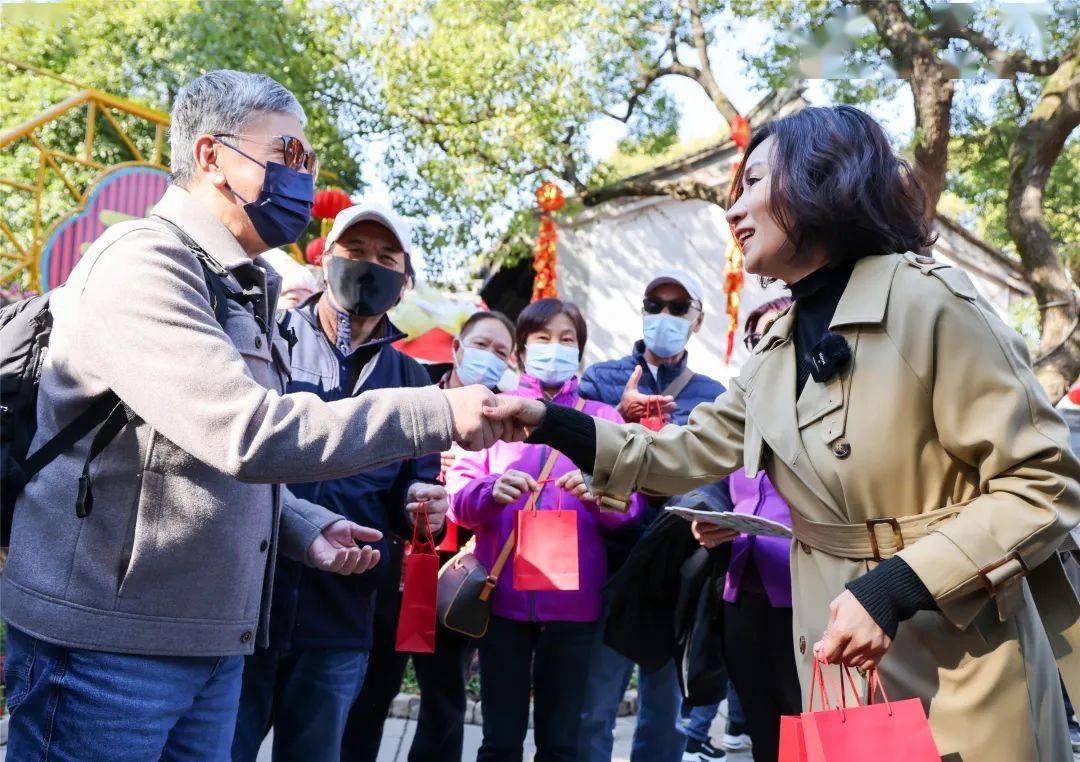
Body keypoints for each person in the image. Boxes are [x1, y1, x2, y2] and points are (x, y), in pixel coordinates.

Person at [487, 105, 1080, 761]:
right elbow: (682, 454)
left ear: (820, 179)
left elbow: (1041, 484)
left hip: (956, 659)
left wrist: (892, 589)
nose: (733, 210)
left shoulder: (930, 301)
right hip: (835, 667)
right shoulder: (774, 348)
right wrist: (549, 421)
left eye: (753, 183)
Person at [1, 70, 503, 761]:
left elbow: (199, 451)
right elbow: (248, 431)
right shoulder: (145, 264)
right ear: (211, 156)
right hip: (106, 650)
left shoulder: (247, 285)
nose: (301, 177)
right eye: (287, 155)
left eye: (309, 162)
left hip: (209, 641)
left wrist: (302, 525)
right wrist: (438, 410)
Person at [231, 202, 451, 761]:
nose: (368, 266)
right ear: (325, 258)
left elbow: (414, 484)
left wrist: (421, 505)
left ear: (403, 282)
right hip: (247, 606)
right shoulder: (268, 340)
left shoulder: (414, 381)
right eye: (355, 252)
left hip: (344, 614)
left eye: (386, 257)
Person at [446, 298, 645, 762]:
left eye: (566, 339)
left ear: (580, 352)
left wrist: (601, 497)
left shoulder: (604, 418)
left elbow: (632, 507)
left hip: (574, 607)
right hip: (502, 602)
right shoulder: (494, 410)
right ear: (519, 350)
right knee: (499, 740)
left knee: (560, 744)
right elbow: (459, 501)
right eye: (541, 338)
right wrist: (490, 489)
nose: (554, 348)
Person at [341, 309, 516, 762]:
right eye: (480, 345)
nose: (489, 357)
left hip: (452, 582)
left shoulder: (506, 426)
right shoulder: (413, 394)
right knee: (369, 697)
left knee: (444, 705)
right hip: (387, 574)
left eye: (501, 352)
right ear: (457, 349)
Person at [575, 269, 735, 762]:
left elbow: (717, 477)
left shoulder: (713, 394)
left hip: (672, 570)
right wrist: (613, 419)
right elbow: (569, 461)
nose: (664, 315)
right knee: (594, 708)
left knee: (663, 713)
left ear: (697, 320)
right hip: (607, 565)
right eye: (655, 304)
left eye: (677, 307)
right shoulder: (600, 380)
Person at [689, 297, 802, 762]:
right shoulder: (741, 415)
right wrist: (706, 516)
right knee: (762, 727)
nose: (766, 346)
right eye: (757, 338)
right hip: (742, 591)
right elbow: (704, 477)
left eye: (778, 335)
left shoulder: (835, 410)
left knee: (809, 725)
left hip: (808, 594)